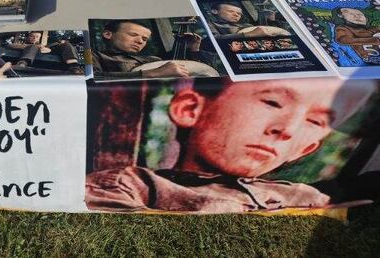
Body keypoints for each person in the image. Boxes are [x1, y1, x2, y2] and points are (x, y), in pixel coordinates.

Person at [85, 78, 375, 213]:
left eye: (314, 122)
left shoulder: (302, 195)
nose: (286, 130)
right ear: (189, 109)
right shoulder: (133, 184)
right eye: (272, 102)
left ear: (306, 149)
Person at [92, 20, 218, 80]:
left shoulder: (154, 59)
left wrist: (193, 49)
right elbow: (93, 78)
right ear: (108, 34)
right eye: (133, 35)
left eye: (145, 39)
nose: (140, 41)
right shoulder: (95, 56)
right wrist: (151, 73)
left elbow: (206, 73)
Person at [1, 31, 84, 75]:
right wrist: (34, 46)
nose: (34, 38)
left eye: (37, 37)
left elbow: (48, 48)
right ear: (27, 37)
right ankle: (22, 64)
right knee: (33, 46)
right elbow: (10, 46)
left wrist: (49, 48)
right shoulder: (21, 44)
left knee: (66, 44)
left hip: (48, 57)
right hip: (30, 58)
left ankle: (73, 66)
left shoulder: (44, 45)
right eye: (32, 36)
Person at [207, 2, 289, 39]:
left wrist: (272, 20)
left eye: (239, 14)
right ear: (215, 11)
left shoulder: (246, 24)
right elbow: (215, 38)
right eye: (231, 11)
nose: (236, 15)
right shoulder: (211, 24)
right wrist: (249, 34)